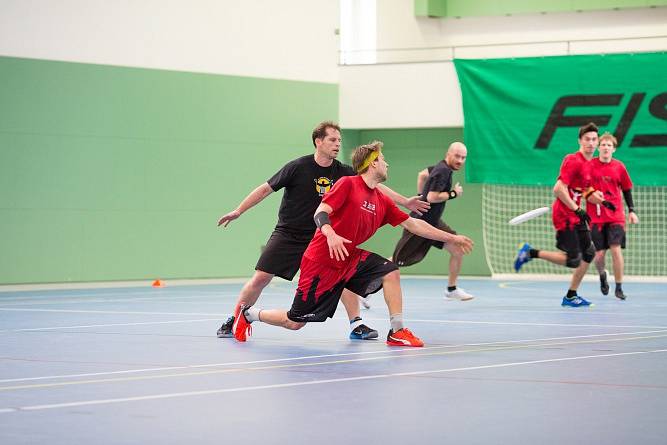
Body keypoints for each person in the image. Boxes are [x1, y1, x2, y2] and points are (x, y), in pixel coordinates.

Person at [231, 140, 474, 346]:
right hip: (320, 261)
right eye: (383, 159)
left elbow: (414, 225)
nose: (387, 163)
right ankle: (250, 314)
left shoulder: (381, 199)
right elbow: (320, 211)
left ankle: (397, 331)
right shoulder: (347, 184)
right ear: (373, 163)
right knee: (296, 321)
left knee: (390, 271)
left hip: (348, 257)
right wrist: (330, 233)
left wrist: (452, 237)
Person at [216, 121, 429, 340]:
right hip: (290, 234)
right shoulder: (297, 167)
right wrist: (238, 211)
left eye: (339, 140)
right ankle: (234, 319)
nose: (337, 144)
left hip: (326, 236)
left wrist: (405, 202)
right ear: (318, 142)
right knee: (261, 278)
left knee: (344, 273)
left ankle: (356, 324)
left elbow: (375, 186)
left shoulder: (344, 172)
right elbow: (264, 189)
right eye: (332, 140)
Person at [514, 122, 609, 307]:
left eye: (594, 139)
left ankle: (571, 296)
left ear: (597, 142)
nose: (591, 142)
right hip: (565, 215)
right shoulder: (573, 160)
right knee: (573, 260)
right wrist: (577, 208)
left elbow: (584, 189)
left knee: (589, 253)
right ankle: (530, 252)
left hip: (576, 214)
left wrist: (597, 198)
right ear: (580, 141)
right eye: (587, 139)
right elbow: (558, 189)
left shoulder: (591, 164)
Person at [390, 142, 473, 301]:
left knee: (457, 248)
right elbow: (432, 197)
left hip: (433, 222)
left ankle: (451, 289)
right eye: (457, 156)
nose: (460, 160)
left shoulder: (439, 167)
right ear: (448, 154)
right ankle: (365, 290)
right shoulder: (443, 171)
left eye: (463, 158)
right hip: (419, 224)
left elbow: (422, 175)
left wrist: (420, 197)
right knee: (396, 261)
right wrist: (454, 193)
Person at [587, 132, 639, 300]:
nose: (606, 148)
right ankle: (603, 275)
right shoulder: (589, 166)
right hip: (595, 217)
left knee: (616, 250)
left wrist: (631, 210)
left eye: (609, 145)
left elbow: (626, 189)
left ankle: (619, 287)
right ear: (598, 148)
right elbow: (582, 187)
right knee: (599, 255)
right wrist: (593, 194)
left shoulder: (619, 167)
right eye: (603, 145)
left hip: (616, 216)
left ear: (613, 149)